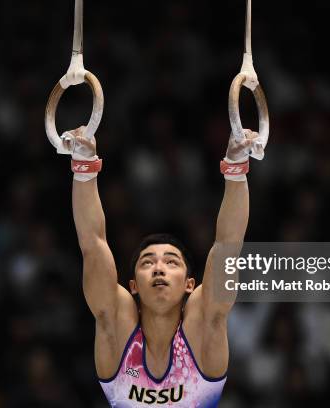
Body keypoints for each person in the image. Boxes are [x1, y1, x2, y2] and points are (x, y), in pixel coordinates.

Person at [59, 125, 262, 407]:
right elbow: (93, 246)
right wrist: (83, 168)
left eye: (171, 262)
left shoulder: (204, 326)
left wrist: (237, 169)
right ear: (133, 286)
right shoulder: (117, 328)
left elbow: (229, 245)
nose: (158, 268)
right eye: (147, 262)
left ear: (190, 284)